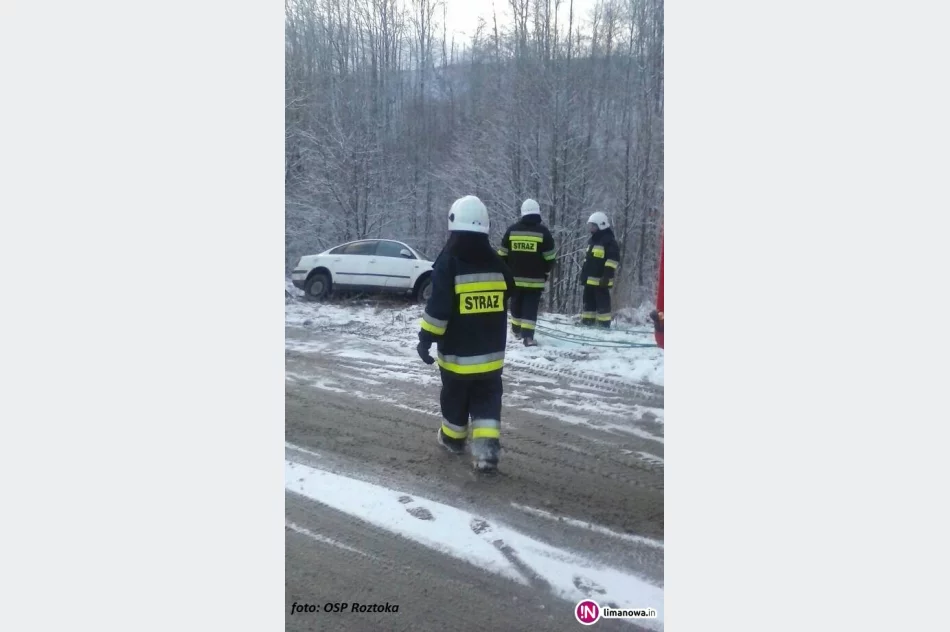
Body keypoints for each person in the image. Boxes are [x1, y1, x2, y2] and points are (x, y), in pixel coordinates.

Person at [416, 195, 515, 473]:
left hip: (458, 358)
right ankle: (486, 454)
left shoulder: (449, 262)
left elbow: (438, 309)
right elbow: (511, 288)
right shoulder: (497, 263)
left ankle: (453, 439)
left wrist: (425, 339)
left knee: (455, 398)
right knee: (487, 402)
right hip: (492, 358)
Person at [496, 199, 557, 346]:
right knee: (530, 307)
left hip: (514, 279)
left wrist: (505, 272)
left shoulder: (512, 230)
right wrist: (546, 272)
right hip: (535, 280)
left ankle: (516, 330)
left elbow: (501, 255)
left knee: (516, 303)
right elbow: (550, 257)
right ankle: (528, 337)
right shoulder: (543, 232)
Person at [580, 212, 620, 328]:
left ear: (601, 225)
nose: (591, 228)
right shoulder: (593, 240)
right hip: (590, 279)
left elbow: (613, 260)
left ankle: (604, 323)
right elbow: (589, 260)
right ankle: (588, 321)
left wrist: (606, 276)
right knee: (588, 300)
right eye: (591, 225)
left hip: (601, 279)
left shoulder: (609, 241)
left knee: (602, 301)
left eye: (593, 226)